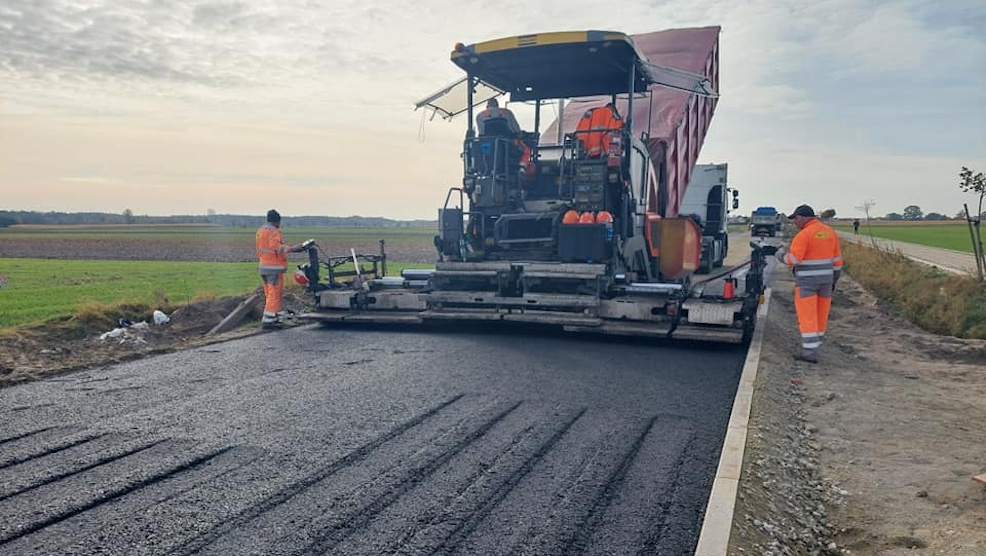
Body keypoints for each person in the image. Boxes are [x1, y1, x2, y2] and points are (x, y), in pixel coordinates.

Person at [775, 205, 843, 363]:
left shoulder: (804, 235)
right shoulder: (829, 232)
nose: (795, 222)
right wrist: (833, 280)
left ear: (804, 218)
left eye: (796, 219)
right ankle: (815, 347)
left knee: (808, 318)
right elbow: (837, 261)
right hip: (826, 283)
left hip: (807, 284)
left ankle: (809, 354)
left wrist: (778, 254)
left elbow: (793, 260)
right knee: (821, 316)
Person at [255, 209, 304, 330]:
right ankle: (269, 320)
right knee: (275, 294)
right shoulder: (274, 231)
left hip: (263, 266)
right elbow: (275, 246)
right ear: (277, 221)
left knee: (269, 293)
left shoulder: (260, 231)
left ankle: (272, 316)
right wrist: (291, 248)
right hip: (274, 267)